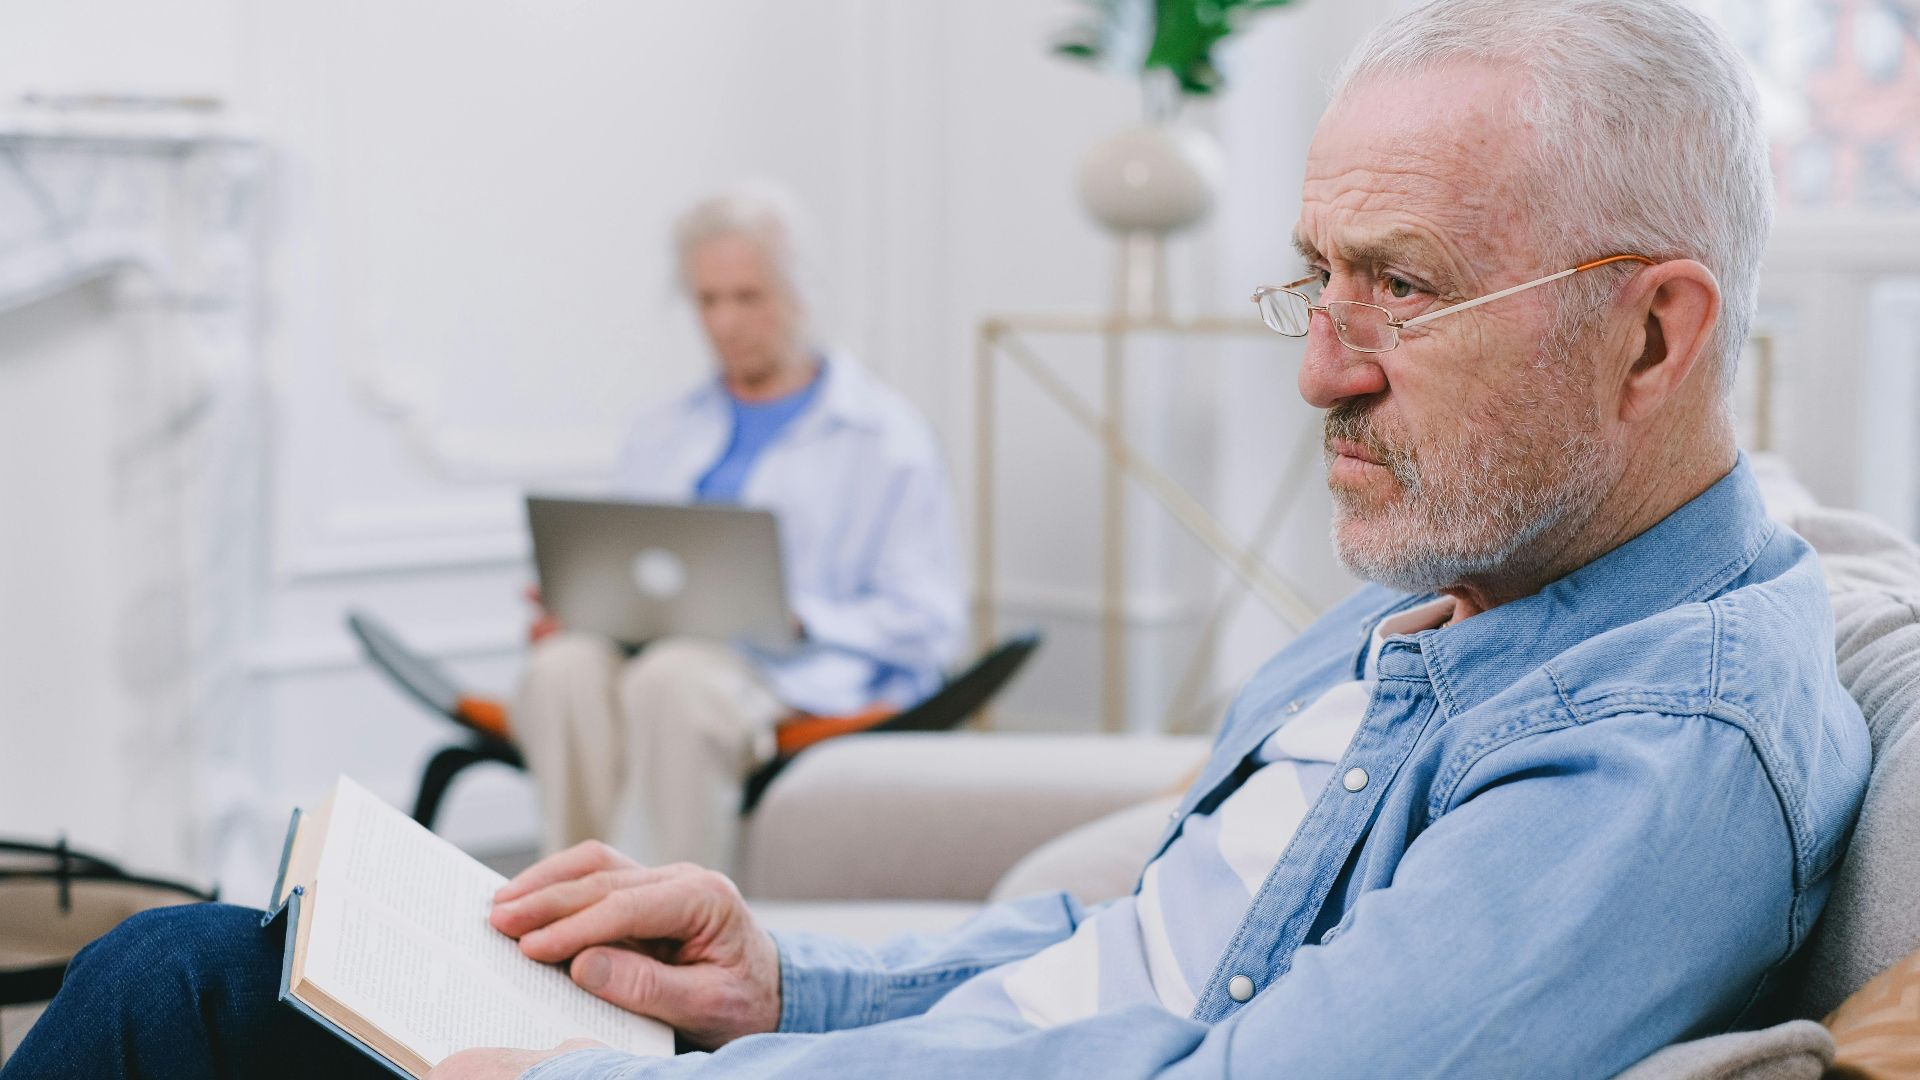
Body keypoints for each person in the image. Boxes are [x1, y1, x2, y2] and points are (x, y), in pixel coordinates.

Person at [0, 1, 1874, 1077]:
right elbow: (1141, 952)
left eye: (1402, 288)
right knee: (200, 969)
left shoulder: (1658, 745)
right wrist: (778, 979)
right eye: (1311, 278)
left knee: (161, 993)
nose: (1320, 372)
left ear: (1654, 331)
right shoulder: (1465, 591)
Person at [514, 187, 965, 871]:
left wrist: (802, 619)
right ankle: (571, 901)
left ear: (799, 294)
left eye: (747, 298)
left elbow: (932, 622)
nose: (724, 323)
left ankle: (665, 931)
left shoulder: (885, 439)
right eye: (707, 300)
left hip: (793, 671)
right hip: (651, 653)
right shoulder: (664, 429)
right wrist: (579, 608)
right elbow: (637, 566)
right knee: (560, 671)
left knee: (673, 680)